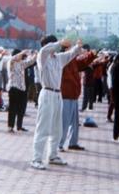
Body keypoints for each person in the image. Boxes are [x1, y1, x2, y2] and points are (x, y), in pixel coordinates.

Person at [31, 36, 82, 170]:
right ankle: (36, 158)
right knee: (43, 127)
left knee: (57, 128)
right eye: (52, 44)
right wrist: (59, 43)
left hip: (58, 94)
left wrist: (78, 46)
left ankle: (52, 155)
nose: (56, 47)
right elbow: (45, 49)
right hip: (47, 93)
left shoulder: (58, 58)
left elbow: (71, 54)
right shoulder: (42, 57)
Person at [59, 44, 96, 151]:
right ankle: (60, 144)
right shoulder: (62, 60)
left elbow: (83, 62)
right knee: (64, 122)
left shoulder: (73, 60)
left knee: (74, 122)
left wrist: (92, 55)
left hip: (74, 95)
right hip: (65, 95)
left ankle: (72, 142)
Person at [7, 49, 37, 132]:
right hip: (13, 87)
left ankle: (19, 126)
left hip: (22, 88)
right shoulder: (11, 62)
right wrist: (23, 52)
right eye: (20, 56)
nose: (22, 57)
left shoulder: (22, 63)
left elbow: (31, 61)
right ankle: (10, 126)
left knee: (21, 108)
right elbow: (14, 58)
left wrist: (35, 55)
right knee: (12, 108)